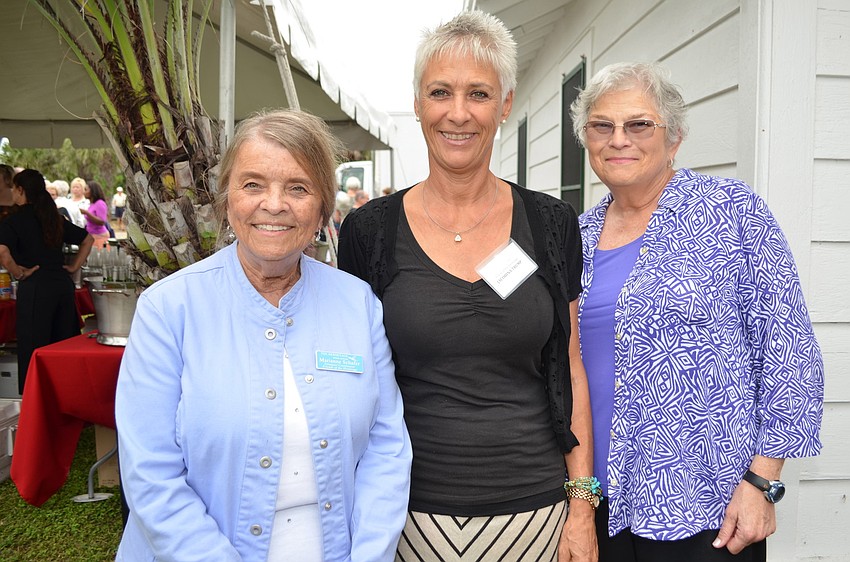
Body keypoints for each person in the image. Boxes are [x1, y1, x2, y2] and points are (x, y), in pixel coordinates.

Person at [339, 11, 597, 561]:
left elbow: (570, 364)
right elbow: (349, 372)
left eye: (478, 93)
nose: (458, 113)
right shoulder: (369, 231)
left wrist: (581, 508)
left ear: (504, 105)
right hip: (403, 515)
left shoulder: (551, 223)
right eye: (440, 92)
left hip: (535, 515)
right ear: (417, 103)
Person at [115, 109, 412, 561]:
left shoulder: (358, 305)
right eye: (253, 184)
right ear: (227, 198)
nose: (274, 204)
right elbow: (150, 474)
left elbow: (386, 448)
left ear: (322, 207)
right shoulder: (168, 309)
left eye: (298, 187)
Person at [570, 62, 824, 561]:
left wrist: (763, 481)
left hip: (708, 507)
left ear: (675, 137)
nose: (619, 139)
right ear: (586, 139)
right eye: (602, 125)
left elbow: (790, 351)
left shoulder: (732, 212)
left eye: (639, 124)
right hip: (600, 501)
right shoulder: (576, 235)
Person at [0, 169, 93, 394]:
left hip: (35, 286)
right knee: (62, 347)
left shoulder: (15, 220)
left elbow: (3, 251)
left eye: (14, 188)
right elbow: (88, 239)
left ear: (21, 190)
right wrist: (73, 267)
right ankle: (69, 399)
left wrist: (18, 273)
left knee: (34, 350)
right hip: (62, 285)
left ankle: (33, 402)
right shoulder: (53, 218)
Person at [79, 180, 111, 247]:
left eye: (86, 190)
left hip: (99, 236)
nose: (84, 192)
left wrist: (86, 213)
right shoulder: (92, 204)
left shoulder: (100, 203)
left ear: (93, 191)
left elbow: (102, 221)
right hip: (92, 235)